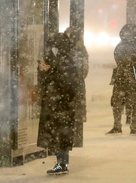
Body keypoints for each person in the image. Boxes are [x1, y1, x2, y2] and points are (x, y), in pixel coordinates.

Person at [37, 33, 80, 175]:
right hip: (56, 105)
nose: (53, 49)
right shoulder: (58, 59)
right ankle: (61, 162)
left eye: (55, 46)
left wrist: (50, 72)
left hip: (61, 105)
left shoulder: (66, 62)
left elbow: (68, 84)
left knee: (61, 135)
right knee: (57, 135)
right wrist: (44, 71)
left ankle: (62, 163)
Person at [106, 24, 136, 136]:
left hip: (131, 79)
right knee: (119, 102)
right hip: (126, 78)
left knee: (129, 102)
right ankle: (123, 126)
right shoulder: (122, 47)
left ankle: (130, 127)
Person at [65, 27, 89, 147]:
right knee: (77, 110)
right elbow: (85, 68)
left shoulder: (64, 48)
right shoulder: (81, 49)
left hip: (69, 85)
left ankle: (70, 137)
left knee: (69, 110)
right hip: (77, 84)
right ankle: (76, 137)